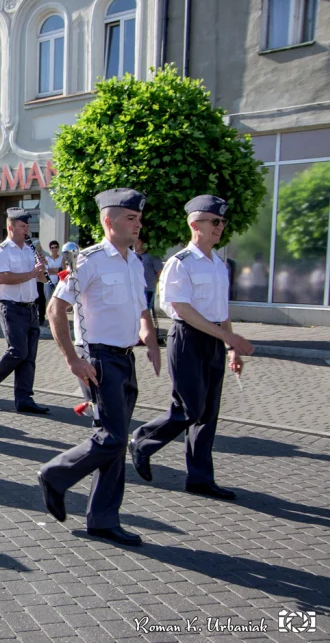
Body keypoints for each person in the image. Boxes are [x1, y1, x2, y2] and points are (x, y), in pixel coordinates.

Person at [39, 188, 161, 547]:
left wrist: (150, 340)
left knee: (114, 439)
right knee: (112, 438)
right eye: (130, 218)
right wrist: (72, 359)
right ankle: (55, 475)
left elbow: (142, 310)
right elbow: (55, 309)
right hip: (98, 358)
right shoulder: (89, 261)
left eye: (139, 218)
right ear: (109, 222)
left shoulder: (134, 262)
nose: (138, 224)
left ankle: (103, 518)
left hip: (125, 357)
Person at [130, 196, 255, 501]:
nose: (220, 227)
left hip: (213, 340)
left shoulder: (219, 265)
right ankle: (143, 442)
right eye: (214, 221)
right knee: (189, 408)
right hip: (187, 338)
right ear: (194, 224)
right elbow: (181, 309)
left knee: (208, 414)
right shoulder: (179, 263)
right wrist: (230, 339)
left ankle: (199, 478)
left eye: (223, 222)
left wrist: (230, 345)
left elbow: (221, 309)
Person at [0, 209, 50, 415]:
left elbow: (40, 279)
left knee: (29, 356)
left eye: (27, 226)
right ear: (11, 228)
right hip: (11, 307)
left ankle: (24, 398)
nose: (26, 230)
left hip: (31, 307)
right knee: (17, 351)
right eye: (23, 226)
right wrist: (31, 273)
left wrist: (42, 273)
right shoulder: (2, 250)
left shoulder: (30, 249)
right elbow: (1, 277)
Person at [134, 237, 163, 312]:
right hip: (134, 289)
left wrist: (154, 283)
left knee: (145, 312)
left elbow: (160, 273)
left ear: (144, 244)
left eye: (138, 243)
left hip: (148, 289)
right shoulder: (132, 256)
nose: (135, 245)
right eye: (134, 243)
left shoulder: (152, 256)